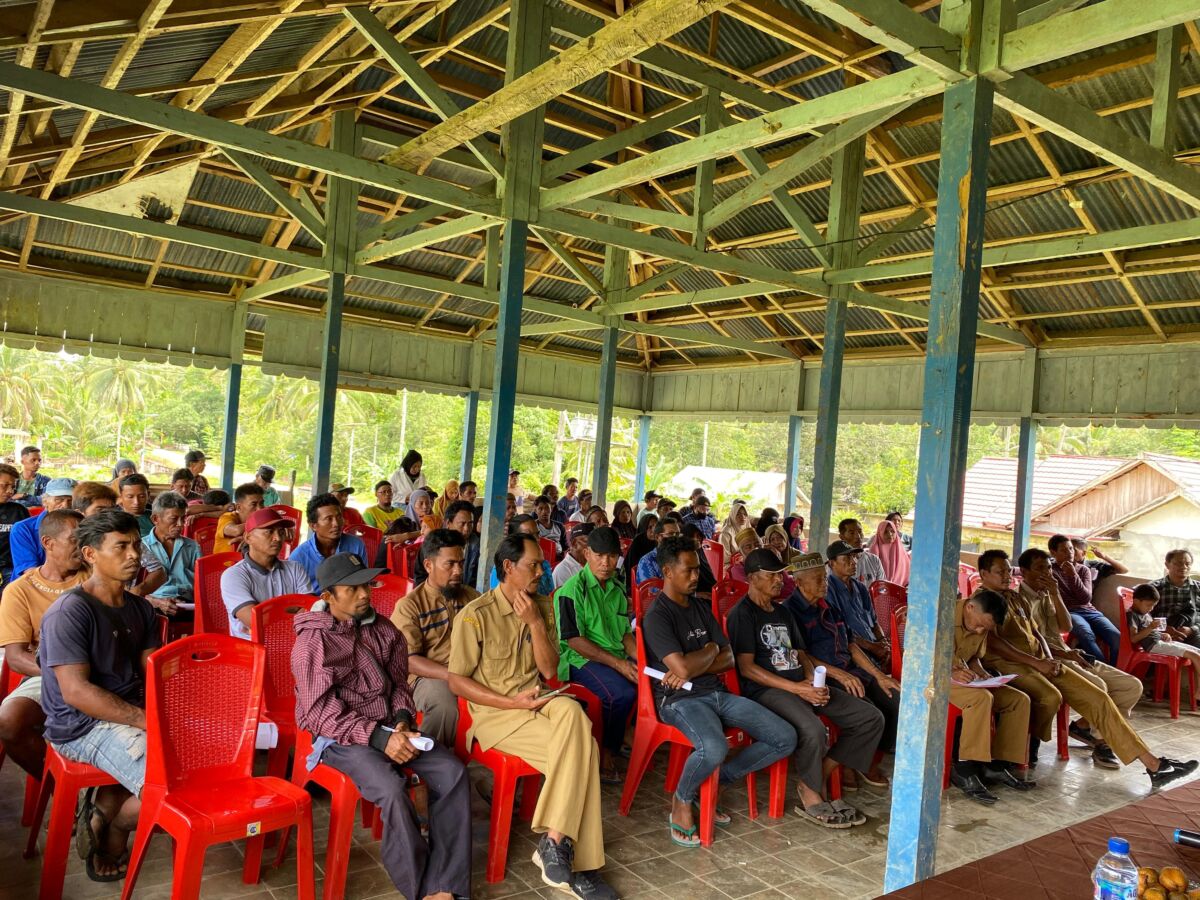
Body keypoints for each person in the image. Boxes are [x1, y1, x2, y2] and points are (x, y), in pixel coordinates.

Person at [293, 552, 471, 900]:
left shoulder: (383, 629)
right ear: (328, 596)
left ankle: (445, 884)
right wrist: (377, 737)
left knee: (452, 771)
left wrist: (403, 722)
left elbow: (400, 686)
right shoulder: (313, 643)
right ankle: (419, 888)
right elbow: (320, 714)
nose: (365, 594)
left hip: (390, 728)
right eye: (353, 588)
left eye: (367, 585)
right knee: (391, 790)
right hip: (341, 740)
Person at [449, 533, 616, 899]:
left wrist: (535, 624)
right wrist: (512, 704)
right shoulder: (475, 616)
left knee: (572, 710)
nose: (541, 571)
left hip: (539, 698)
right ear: (508, 568)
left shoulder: (541, 605)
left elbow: (549, 669)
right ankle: (577, 866)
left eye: (541, 564)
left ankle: (554, 840)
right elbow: (457, 682)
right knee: (584, 751)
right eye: (534, 565)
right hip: (497, 713)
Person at [977, 549, 1196, 787]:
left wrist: (1049, 657)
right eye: (1001, 572)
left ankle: (1152, 763)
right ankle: (1152, 764)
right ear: (984, 574)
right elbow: (995, 642)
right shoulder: (983, 600)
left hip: (1046, 662)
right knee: (1097, 696)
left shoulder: (1014, 597)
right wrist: (1039, 661)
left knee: (1104, 696)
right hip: (1021, 665)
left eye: (1009, 571)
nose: (1008, 576)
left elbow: (1037, 633)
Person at [642, 535, 795, 848]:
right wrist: (710, 652)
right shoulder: (658, 615)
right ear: (668, 572)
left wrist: (706, 653)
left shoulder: (700, 607)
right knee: (713, 748)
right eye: (688, 571)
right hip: (680, 699)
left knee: (785, 737)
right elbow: (682, 671)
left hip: (716, 693)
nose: (696, 576)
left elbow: (727, 658)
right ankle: (682, 800)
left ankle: (717, 780)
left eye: (698, 569)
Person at [38, 508, 163, 882]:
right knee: (168, 786)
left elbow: (151, 672)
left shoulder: (141, 608)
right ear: (90, 554)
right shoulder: (71, 612)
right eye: (121, 547)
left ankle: (111, 813)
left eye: (136, 545)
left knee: (206, 758)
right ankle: (117, 829)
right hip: (81, 725)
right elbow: (75, 692)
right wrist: (147, 721)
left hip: (129, 712)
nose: (134, 556)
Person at [727, 549, 881, 827]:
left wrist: (812, 681)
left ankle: (818, 773)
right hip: (767, 691)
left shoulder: (783, 612)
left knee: (870, 718)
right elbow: (747, 668)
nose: (778, 580)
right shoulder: (742, 614)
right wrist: (797, 689)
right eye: (772, 574)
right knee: (813, 729)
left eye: (780, 574)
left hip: (800, 684)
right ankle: (810, 791)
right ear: (752, 578)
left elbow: (801, 653)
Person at [784, 552, 898, 788]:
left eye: (824, 579)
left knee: (897, 700)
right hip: (823, 679)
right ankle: (828, 771)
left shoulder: (829, 607)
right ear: (799, 582)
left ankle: (862, 762)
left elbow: (851, 645)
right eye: (817, 579)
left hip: (851, 672)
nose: (824, 583)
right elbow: (802, 656)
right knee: (871, 715)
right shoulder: (790, 612)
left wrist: (879, 676)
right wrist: (839, 674)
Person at [1018, 547, 1142, 749]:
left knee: (1131, 686)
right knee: (1099, 686)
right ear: (1024, 571)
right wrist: (1066, 654)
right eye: (1040, 568)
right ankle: (1103, 743)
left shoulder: (1048, 594)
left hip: (1068, 654)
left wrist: (1056, 593)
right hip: (1051, 659)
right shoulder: (1018, 599)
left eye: (1049, 568)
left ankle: (1084, 726)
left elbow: (1066, 627)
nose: (1046, 573)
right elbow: (1031, 644)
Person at [0, 509, 86, 782]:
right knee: (9, 721)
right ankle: (60, 791)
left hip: (99, 669)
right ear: (48, 543)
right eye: (75, 539)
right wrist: (61, 673)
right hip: (46, 672)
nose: (83, 546)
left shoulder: (94, 578)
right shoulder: (20, 590)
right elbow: (15, 657)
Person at [556, 526, 635, 784]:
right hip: (580, 659)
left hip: (613, 654)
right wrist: (619, 664)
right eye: (599, 555)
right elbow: (574, 640)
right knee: (620, 693)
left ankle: (626, 733)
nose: (606, 562)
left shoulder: (617, 587)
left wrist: (641, 661)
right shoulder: (571, 590)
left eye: (612, 556)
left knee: (650, 679)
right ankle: (606, 751)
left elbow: (625, 634)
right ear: (587, 554)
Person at [387, 529, 479, 747]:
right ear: (429, 565)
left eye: (461, 563)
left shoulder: (471, 597)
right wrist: (452, 676)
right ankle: (430, 763)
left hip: (466, 670)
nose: (458, 571)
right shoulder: (410, 605)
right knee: (443, 701)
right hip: (424, 678)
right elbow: (409, 660)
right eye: (450, 564)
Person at [947, 589, 1033, 805]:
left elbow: (974, 656)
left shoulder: (981, 622)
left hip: (962, 678)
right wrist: (950, 671)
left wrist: (981, 673)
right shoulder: (942, 616)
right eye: (979, 625)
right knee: (981, 699)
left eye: (984, 629)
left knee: (1019, 700)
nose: (979, 631)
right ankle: (964, 769)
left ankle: (997, 766)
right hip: (933, 676)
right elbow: (921, 653)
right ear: (969, 607)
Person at [221, 508, 315, 638]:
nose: (277, 538)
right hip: (250, 651)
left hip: (293, 645)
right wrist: (293, 609)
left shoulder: (295, 568)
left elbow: (312, 611)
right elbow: (256, 621)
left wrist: (267, 611)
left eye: (281, 532)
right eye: (269, 532)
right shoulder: (233, 575)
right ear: (248, 537)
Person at [1047, 534, 1120, 666]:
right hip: (1069, 612)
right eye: (1064, 550)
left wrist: (1073, 576)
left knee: (1116, 637)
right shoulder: (1050, 571)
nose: (1069, 553)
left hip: (1090, 611)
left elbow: (1086, 598)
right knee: (1086, 634)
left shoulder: (1083, 570)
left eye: (1071, 549)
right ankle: (1102, 669)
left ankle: (1113, 669)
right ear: (1053, 552)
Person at [131, 492, 200, 621]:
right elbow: (131, 591)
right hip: (152, 603)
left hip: (187, 603)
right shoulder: (140, 547)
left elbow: (201, 584)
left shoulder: (192, 546)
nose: (180, 524)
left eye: (183, 518)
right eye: (174, 519)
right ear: (155, 519)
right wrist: (156, 601)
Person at [825, 540, 890, 673]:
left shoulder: (860, 587)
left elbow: (874, 622)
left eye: (854, 557)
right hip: (855, 653)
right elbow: (840, 633)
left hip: (875, 648)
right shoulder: (828, 590)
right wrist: (874, 648)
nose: (854, 561)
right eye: (847, 558)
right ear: (832, 563)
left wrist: (883, 643)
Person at [291, 493, 368, 591]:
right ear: (313, 526)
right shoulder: (299, 557)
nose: (336, 524)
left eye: (339, 517)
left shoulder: (356, 545)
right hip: (313, 604)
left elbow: (363, 580)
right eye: (329, 519)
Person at [1128, 582, 1200, 682]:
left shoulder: (1145, 614)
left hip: (1160, 642)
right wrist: (1150, 628)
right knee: (1194, 655)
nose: (1151, 608)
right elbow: (1133, 638)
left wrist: (1162, 634)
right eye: (1148, 605)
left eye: (1153, 606)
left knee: (1198, 652)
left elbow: (1151, 632)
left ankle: (1198, 691)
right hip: (1153, 645)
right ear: (1136, 601)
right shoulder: (1133, 615)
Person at [10, 477, 76, 579]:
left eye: (71, 501)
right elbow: (30, 572)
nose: (66, 505)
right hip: (32, 586)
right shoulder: (23, 529)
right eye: (59, 500)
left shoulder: (83, 527)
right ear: (45, 502)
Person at [490, 515, 555, 597]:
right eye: (528, 536)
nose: (536, 539)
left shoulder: (544, 564)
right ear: (513, 539)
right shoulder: (502, 569)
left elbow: (549, 593)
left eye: (537, 534)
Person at [1151, 549, 1200, 650]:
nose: (1184, 567)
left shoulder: (1198, 588)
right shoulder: (1154, 588)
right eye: (1178, 563)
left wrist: (1192, 630)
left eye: (1188, 564)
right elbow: (1141, 616)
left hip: (1192, 635)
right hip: (1162, 636)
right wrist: (1162, 629)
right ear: (1167, 565)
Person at [0, 463, 31, 587]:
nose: (10, 491)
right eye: (5, 485)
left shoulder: (19, 510)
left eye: (12, 487)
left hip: (11, 568)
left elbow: (28, 542)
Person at [214, 482, 266, 554]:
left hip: (246, 563)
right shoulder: (226, 517)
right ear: (238, 507)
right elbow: (236, 531)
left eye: (261, 503)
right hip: (224, 564)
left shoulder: (261, 523)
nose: (260, 509)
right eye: (254, 504)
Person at [837, 519, 885, 588]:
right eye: (852, 533)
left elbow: (881, 587)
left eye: (860, 532)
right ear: (842, 537)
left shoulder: (874, 560)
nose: (858, 536)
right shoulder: (836, 563)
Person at [443, 500, 479, 588]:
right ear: (448, 523)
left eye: (470, 523)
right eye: (462, 524)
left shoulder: (476, 544)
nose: (467, 529)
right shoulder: (435, 543)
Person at [636, 516, 682, 583]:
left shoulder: (681, 557)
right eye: (671, 534)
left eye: (677, 534)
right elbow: (652, 591)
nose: (675, 538)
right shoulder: (647, 561)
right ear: (658, 537)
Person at [872, 518, 910, 586]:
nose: (890, 534)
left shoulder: (900, 549)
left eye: (892, 531)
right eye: (885, 532)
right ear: (879, 533)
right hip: (878, 590)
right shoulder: (874, 551)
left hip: (900, 589)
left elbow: (907, 573)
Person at [554, 523, 591, 589]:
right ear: (575, 544)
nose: (594, 546)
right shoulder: (562, 571)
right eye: (589, 542)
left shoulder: (594, 562)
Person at [623, 513, 657, 584]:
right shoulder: (638, 542)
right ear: (643, 528)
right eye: (650, 527)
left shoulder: (659, 541)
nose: (653, 531)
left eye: (656, 527)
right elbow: (631, 568)